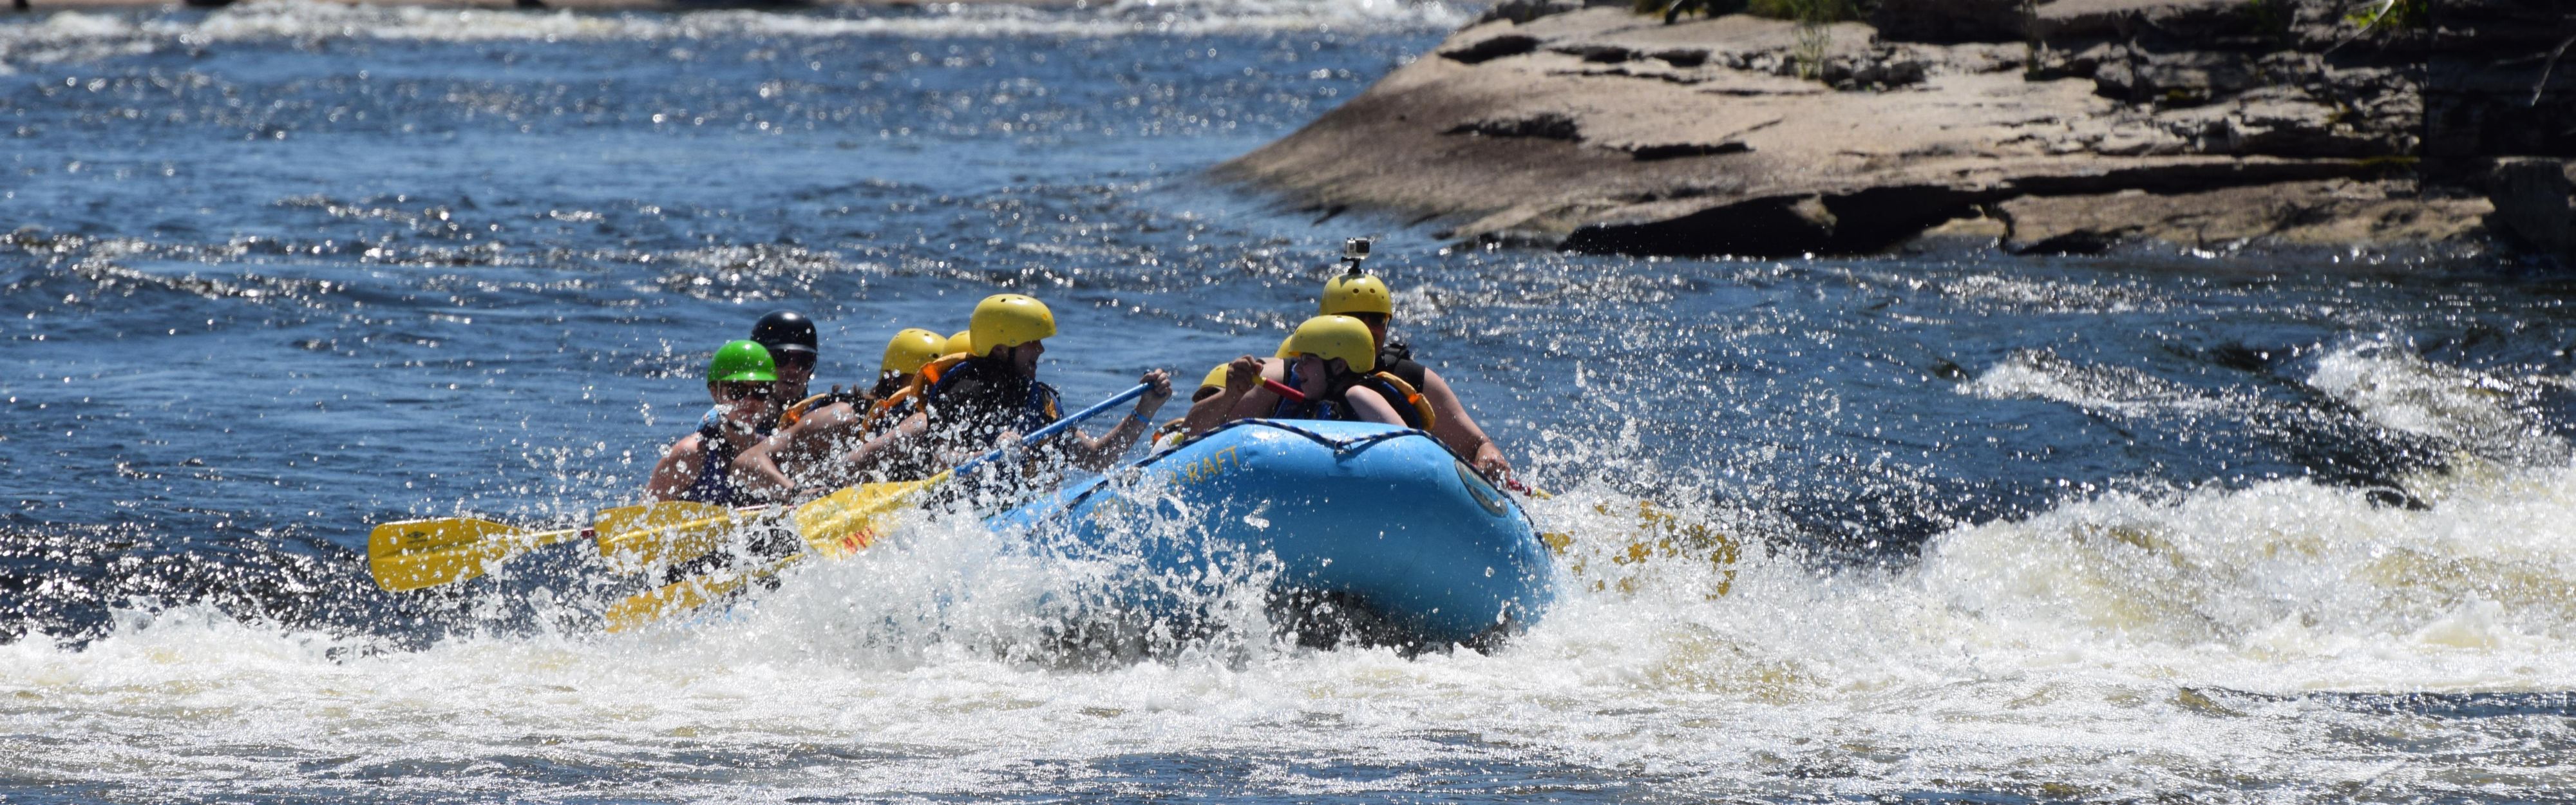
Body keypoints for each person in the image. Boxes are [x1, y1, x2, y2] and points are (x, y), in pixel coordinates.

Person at [848, 294, 1172, 486]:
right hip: (963, 522)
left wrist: (1146, 408)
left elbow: (1097, 457)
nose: (1041, 351)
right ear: (1003, 347)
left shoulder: (1041, 402)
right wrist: (986, 456)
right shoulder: (963, 392)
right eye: (1033, 343)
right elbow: (938, 459)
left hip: (1020, 517)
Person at [1318, 267, 1514, 480]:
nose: (1370, 329)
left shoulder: (1410, 377)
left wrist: (1490, 456)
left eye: (1377, 319)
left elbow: (1478, 445)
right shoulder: (1304, 369)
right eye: (1355, 319)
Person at [735, 327, 949, 497]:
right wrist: (795, 492)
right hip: (793, 507)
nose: (935, 392)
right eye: (925, 382)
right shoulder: (843, 416)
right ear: (891, 379)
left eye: (942, 382)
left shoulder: (938, 427)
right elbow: (747, 462)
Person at [1199, 316, 1415, 428]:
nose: (1297, 368)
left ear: (1338, 365)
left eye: (1308, 360)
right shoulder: (1312, 403)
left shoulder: (1359, 395)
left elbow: (1407, 448)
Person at [645, 340, 780, 506]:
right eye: (737, 391)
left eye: (761, 391)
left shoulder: (771, 452)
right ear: (715, 393)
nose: (750, 402)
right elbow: (645, 515)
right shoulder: (690, 455)